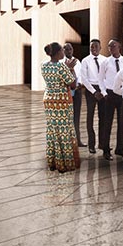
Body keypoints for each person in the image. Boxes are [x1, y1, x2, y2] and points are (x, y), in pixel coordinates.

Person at [41, 42, 79, 173]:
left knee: (52, 129)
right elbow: (73, 84)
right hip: (62, 101)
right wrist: (70, 69)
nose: (64, 53)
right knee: (64, 130)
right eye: (62, 50)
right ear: (58, 53)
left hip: (49, 100)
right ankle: (65, 163)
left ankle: (53, 161)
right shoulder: (62, 67)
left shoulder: (43, 65)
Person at [79, 39, 108, 156]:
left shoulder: (105, 60)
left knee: (103, 117)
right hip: (90, 90)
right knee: (90, 117)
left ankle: (102, 143)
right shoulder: (85, 61)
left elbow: (107, 76)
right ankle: (91, 144)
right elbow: (84, 79)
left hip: (102, 89)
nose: (94, 48)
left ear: (100, 47)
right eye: (91, 47)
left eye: (96, 46)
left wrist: (103, 90)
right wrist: (94, 91)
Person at [98, 39, 123, 161]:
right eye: (109, 46)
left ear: (119, 46)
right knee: (106, 123)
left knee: (122, 122)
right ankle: (106, 149)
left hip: (122, 94)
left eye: (113, 46)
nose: (111, 48)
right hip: (109, 94)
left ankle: (120, 148)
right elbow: (100, 79)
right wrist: (104, 93)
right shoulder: (105, 62)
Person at [63, 43, 86, 147]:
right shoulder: (61, 62)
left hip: (77, 91)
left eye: (70, 49)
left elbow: (80, 74)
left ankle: (78, 140)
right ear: (63, 50)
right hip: (66, 92)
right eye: (66, 49)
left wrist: (80, 83)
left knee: (76, 116)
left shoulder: (77, 61)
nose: (69, 51)